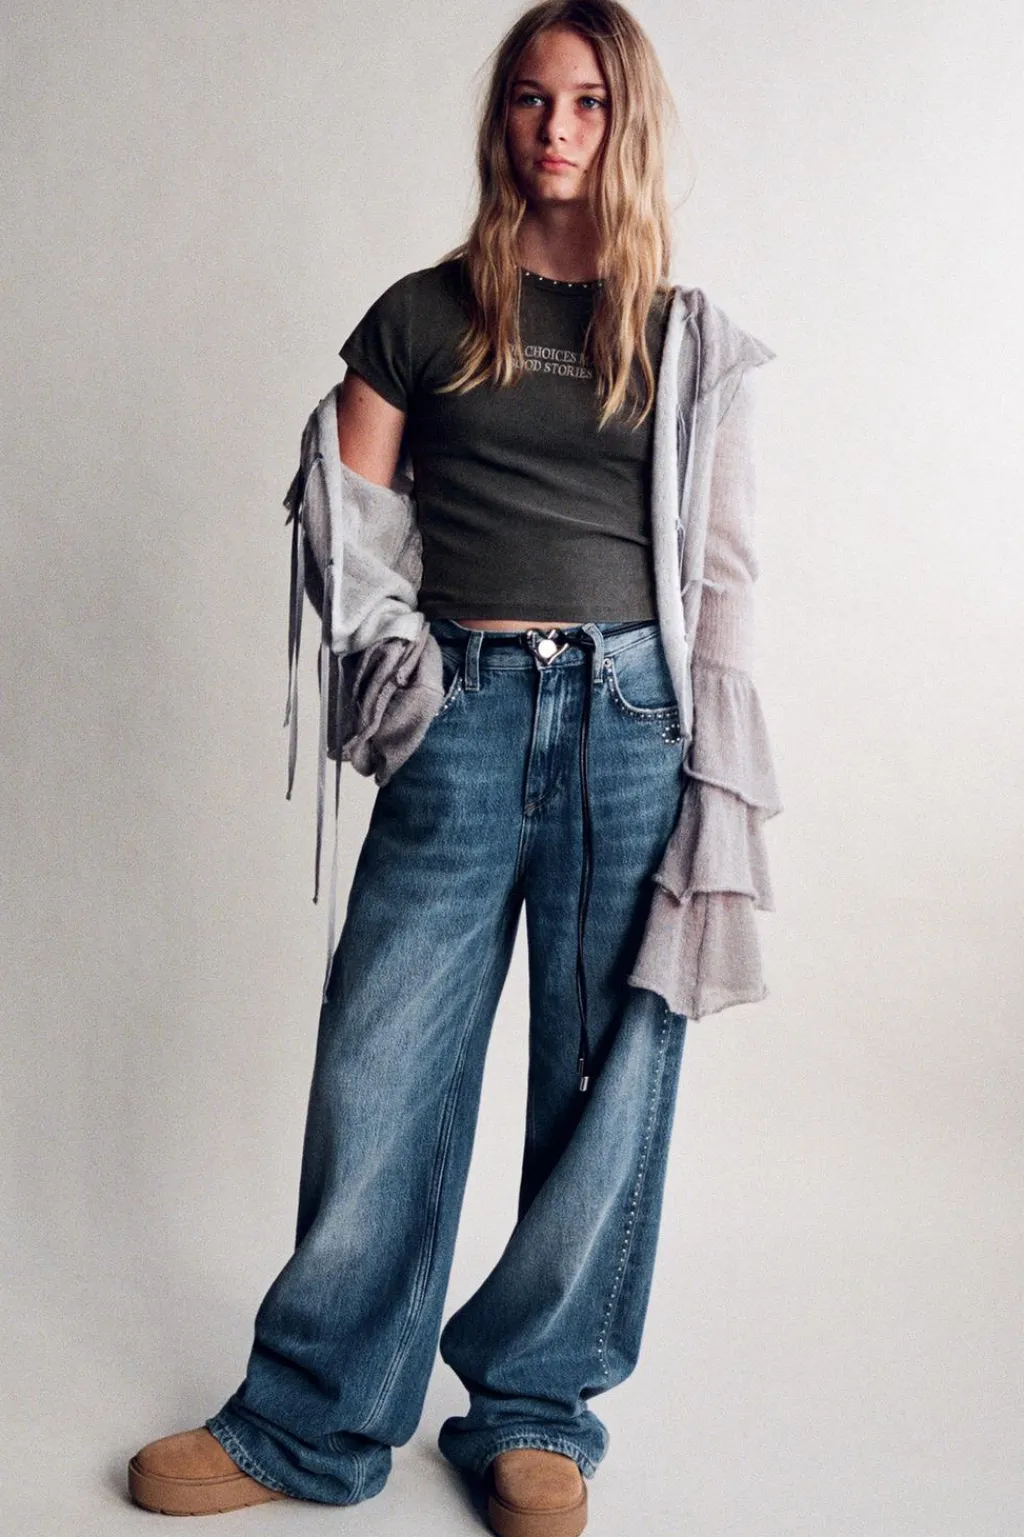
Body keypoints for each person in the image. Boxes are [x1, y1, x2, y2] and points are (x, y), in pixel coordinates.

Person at [127, 3, 781, 1534]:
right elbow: (348, 533)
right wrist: (404, 687)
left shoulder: (684, 335)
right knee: (382, 1062)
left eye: (589, 103)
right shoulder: (422, 316)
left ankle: (537, 1410)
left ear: (627, 124)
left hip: (633, 720)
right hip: (467, 712)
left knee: (604, 1075)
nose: (558, 128)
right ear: (501, 121)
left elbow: (726, 569)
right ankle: (310, 1418)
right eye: (532, 100)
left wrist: (720, 777)